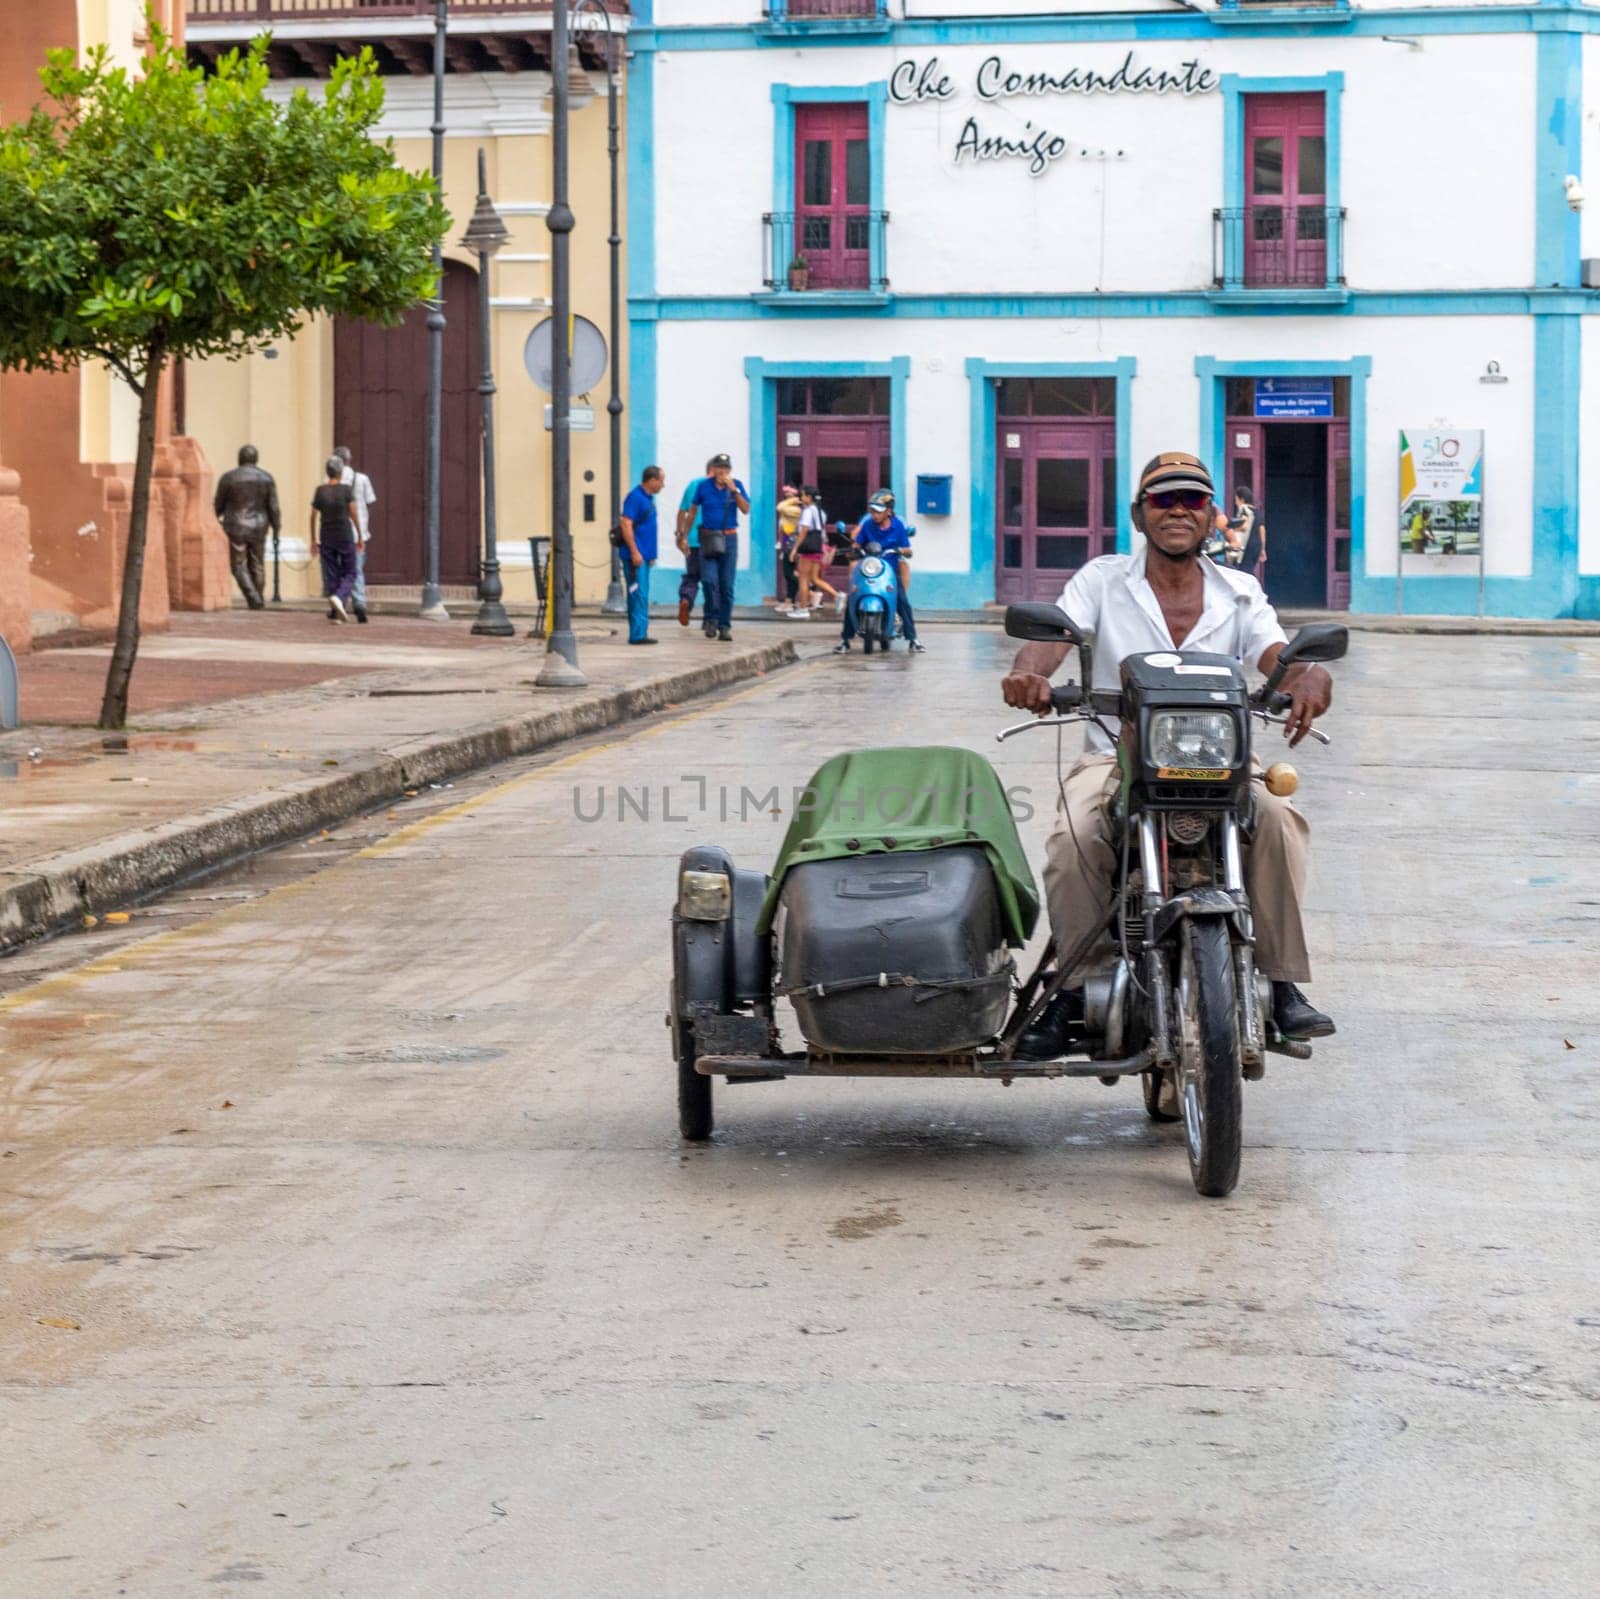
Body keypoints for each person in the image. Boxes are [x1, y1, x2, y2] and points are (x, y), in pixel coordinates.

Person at [1000, 450, 1336, 1058]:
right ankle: (1076, 988)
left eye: (1193, 500)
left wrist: (1305, 675)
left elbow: (1274, 654)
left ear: (1213, 517)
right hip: (1115, 758)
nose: (1178, 510)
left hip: (1221, 762)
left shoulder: (1239, 591)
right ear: (1139, 513)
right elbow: (1053, 639)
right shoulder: (1101, 580)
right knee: (1072, 840)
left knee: (1281, 820)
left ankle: (1282, 982)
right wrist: (1029, 674)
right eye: (1163, 499)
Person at [832, 490, 924, 654]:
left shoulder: (898, 526)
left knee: (902, 601)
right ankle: (845, 640)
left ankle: (913, 639)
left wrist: (901, 551)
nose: (874, 515)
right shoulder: (868, 525)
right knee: (854, 597)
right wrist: (853, 550)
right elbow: (858, 544)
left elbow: (907, 549)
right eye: (872, 511)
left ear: (888, 511)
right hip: (868, 568)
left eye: (878, 511)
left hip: (890, 571)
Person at [212, 444, 280, 610]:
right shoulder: (267, 478)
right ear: (255, 459)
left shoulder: (228, 478)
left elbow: (218, 505)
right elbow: (274, 507)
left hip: (235, 525)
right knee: (257, 563)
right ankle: (257, 598)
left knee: (238, 564)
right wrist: (276, 527)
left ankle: (254, 597)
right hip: (259, 525)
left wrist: (214, 519)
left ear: (239, 458)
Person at [690, 452, 749, 643]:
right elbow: (692, 511)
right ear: (713, 469)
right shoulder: (703, 487)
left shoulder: (736, 486)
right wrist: (682, 535)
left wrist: (734, 491)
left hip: (730, 539)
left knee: (726, 585)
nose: (722, 472)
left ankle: (724, 625)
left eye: (725, 468)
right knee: (708, 581)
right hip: (708, 537)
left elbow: (746, 509)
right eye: (719, 468)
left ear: (729, 470)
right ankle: (711, 618)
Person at [309, 455, 360, 624]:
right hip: (344, 535)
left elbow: (313, 516)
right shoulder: (346, 490)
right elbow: (353, 513)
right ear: (340, 473)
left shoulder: (320, 490)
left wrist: (312, 539)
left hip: (326, 536)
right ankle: (339, 597)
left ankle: (336, 612)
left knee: (332, 573)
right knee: (351, 571)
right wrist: (360, 535)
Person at [619, 465, 665, 646]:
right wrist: (634, 551)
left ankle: (641, 631)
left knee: (642, 594)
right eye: (661, 480)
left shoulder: (648, 499)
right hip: (635, 557)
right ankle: (637, 634)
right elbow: (626, 524)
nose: (663, 484)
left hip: (644, 556)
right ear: (652, 480)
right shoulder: (635, 497)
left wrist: (650, 554)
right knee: (638, 593)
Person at [674, 457, 719, 632]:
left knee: (692, 576)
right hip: (714, 540)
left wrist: (680, 535)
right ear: (714, 470)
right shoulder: (717, 487)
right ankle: (710, 617)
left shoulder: (693, 484)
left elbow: (682, 512)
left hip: (692, 540)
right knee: (712, 581)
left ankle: (686, 600)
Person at [334, 445, 376, 623]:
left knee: (339, 569)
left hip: (338, 531)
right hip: (358, 531)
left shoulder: (332, 480)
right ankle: (359, 602)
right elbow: (370, 501)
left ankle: (340, 602)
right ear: (349, 460)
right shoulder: (362, 479)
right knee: (356, 569)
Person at [791, 485, 841, 618]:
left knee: (803, 578)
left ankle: (802, 609)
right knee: (814, 578)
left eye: (802, 495)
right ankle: (838, 595)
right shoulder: (820, 512)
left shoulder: (808, 511)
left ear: (808, 497)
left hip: (808, 548)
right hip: (817, 547)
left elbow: (804, 531)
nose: (801, 498)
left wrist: (795, 548)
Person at [776, 485, 802, 612]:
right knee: (788, 573)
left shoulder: (795, 510)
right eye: (785, 493)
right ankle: (788, 601)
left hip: (792, 544)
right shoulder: (789, 507)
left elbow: (779, 507)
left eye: (789, 494)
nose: (786, 495)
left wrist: (793, 500)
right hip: (787, 543)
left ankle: (809, 589)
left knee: (790, 573)